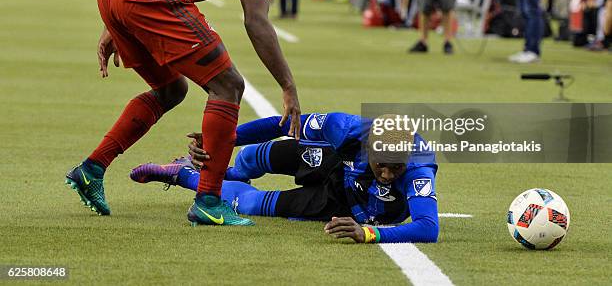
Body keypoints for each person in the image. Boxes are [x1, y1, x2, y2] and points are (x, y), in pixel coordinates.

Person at [65, 0, 319, 226]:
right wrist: (288, 86)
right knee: (228, 85)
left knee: (171, 89)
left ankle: (91, 169)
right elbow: (256, 20)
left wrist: (116, 17)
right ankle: (208, 200)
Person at [130, 112, 439, 243]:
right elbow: (284, 125)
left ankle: (182, 175)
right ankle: (227, 170)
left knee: (250, 204)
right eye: (381, 165)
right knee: (251, 155)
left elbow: (428, 228)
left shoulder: (418, 167)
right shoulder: (344, 128)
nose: (387, 175)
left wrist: (370, 233)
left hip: (346, 204)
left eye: (395, 168)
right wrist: (224, 139)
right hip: (338, 164)